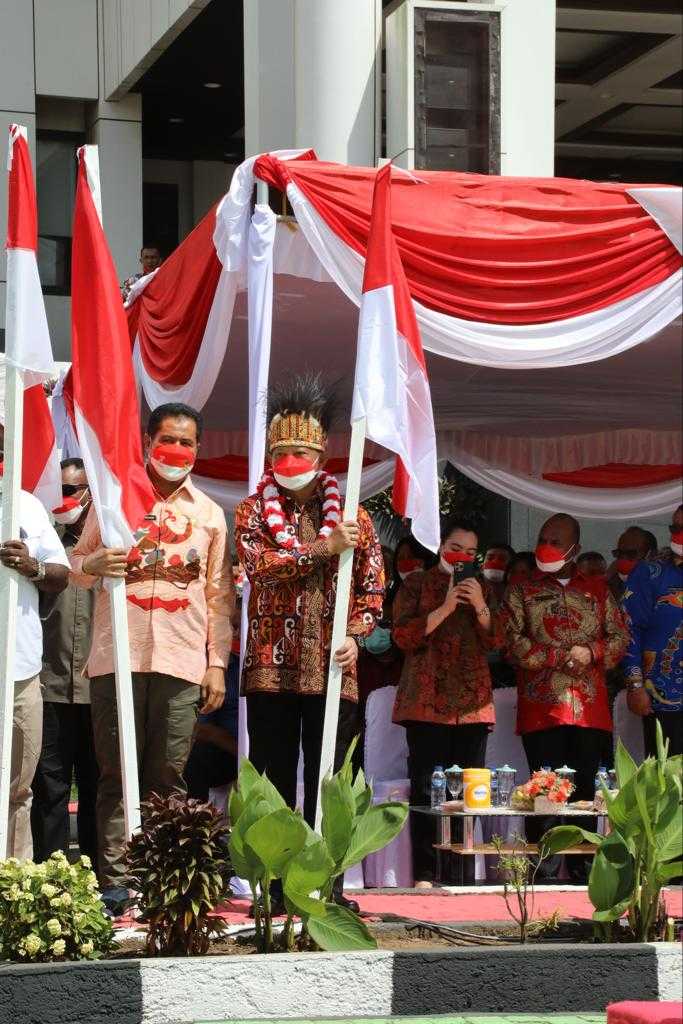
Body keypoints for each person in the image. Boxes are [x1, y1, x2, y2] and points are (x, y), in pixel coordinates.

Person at [70, 402, 234, 912]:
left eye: (187, 442)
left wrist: (217, 663)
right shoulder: (114, 502)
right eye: (168, 439)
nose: (176, 450)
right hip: (114, 657)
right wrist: (92, 562)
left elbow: (219, 596)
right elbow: (76, 567)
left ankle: (162, 879)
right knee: (116, 773)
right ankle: (116, 884)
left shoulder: (208, 514)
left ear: (198, 450)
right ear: (146, 441)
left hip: (182, 661)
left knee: (169, 776)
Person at [235, 374, 384, 912]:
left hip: (332, 668)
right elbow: (261, 568)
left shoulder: (355, 518)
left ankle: (328, 885)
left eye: (302, 450)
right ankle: (273, 888)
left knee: (332, 778)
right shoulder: (251, 513)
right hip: (271, 668)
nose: (292, 459)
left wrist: (356, 635)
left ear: (322, 455)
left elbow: (372, 591)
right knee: (273, 777)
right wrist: (324, 549)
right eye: (282, 451)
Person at [500, 513, 630, 879]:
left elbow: (620, 638)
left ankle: (584, 873)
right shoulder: (521, 591)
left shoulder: (598, 590)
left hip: (589, 710)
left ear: (574, 547)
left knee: (585, 794)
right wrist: (558, 656)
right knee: (544, 792)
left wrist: (591, 653)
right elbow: (513, 643)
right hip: (542, 708)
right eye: (544, 537)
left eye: (556, 541)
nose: (547, 545)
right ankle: (542, 871)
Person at [392, 517, 497, 887]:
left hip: (472, 703)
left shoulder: (482, 586)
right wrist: (445, 607)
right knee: (427, 790)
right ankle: (424, 872)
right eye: (456, 548)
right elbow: (402, 636)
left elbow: (497, 640)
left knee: (471, 791)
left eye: (471, 552)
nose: (462, 557)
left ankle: (463, 873)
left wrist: (480, 605)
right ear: (440, 547)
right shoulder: (417, 584)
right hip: (426, 700)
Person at [31, 459, 98, 867]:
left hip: (97, 688)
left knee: (94, 787)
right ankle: (51, 875)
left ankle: (96, 875)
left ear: (91, 494)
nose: (67, 499)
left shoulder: (108, 545)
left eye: (75, 490)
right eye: (62, 491)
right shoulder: (45, 547)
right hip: (49, 685)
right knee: (50, 787)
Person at [0, 475, 69, 859]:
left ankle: (12, 890)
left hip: (19, 668)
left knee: (16, 788)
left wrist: (32, 566)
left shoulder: (24, 504)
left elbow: (61, 574)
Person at [621, 504, 682, 757]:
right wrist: (635, 685)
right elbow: (629, 630)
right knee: (668, 783)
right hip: (665, 698)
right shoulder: (651, 572)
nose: (678, 535)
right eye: (675, 528)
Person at [184, 567, 242, 802]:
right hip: (227, 753)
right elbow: (200, 730)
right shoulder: (215, 667)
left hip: (253, 751)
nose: (236, 634)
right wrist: (244, 755)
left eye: (239, 628)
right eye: (232, 627)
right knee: (194, 758)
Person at [608, 526, 658, 602]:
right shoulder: (611, 582)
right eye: (619, 553)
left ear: (651, 555)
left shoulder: (665, 586)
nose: (624, 559)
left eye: (631, 554)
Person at [481, 542, 515, 608]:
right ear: (482, 566)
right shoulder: (470, 592)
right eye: (490, 558)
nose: (495, 562)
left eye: (502, 559)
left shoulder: (518, 598)